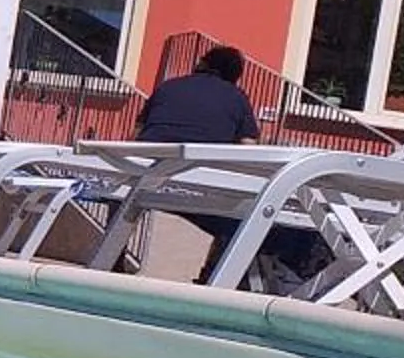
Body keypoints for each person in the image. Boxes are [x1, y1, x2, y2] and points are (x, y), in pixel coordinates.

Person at [135, 46, 328, 285]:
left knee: (242, 217)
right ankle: (216, 278)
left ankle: (117, 262)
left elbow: (138, 133)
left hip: (144, 178)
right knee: (248, 217)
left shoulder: (167, 87)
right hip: (198, 186)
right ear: (235, 75)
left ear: (201, 62)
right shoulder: (236, 98)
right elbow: (247, 150)